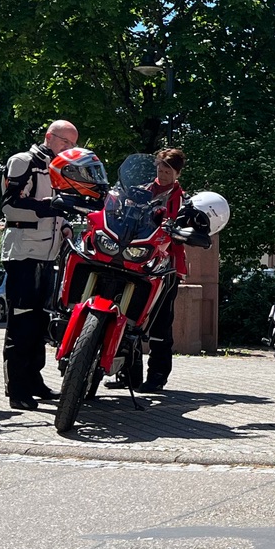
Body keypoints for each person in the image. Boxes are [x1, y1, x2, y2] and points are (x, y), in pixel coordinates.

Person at [1, 120, 79, 411]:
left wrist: (66, 224)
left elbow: (59, 208)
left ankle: (34, 381)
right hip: (23, 253)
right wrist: (51, 207)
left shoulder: (60, 168)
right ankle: (17, 389)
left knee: (39, 322)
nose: (68, 148)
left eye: (73, 144)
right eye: (65, 142)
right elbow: (10, 205)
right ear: (49, 137)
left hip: (48, 254)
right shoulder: (23, 162)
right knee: (21, 322)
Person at [105, 146, 190, 392]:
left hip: (165, 263)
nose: (162, 175)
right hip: (134, 258)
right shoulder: (141, 190)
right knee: (125, 314)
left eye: (168, 171)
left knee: (161, 321)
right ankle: (127, 374)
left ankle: (157, 376)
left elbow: (184, 228)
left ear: (177, 173)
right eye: (160, 169)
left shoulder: (183, 199)